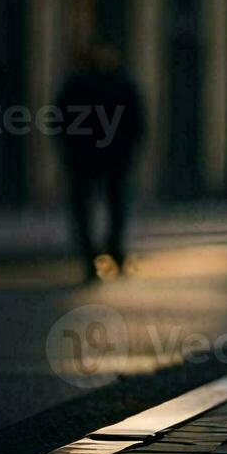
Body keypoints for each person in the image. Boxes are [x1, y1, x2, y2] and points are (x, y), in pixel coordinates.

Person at [55, 45, 146, 281]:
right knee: (107, 209)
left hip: (96, 157)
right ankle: (104, 257)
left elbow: (136, 121)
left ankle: (101, 258)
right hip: (101, 157)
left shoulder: (81, 84)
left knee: (102, 210)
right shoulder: (115, 82)